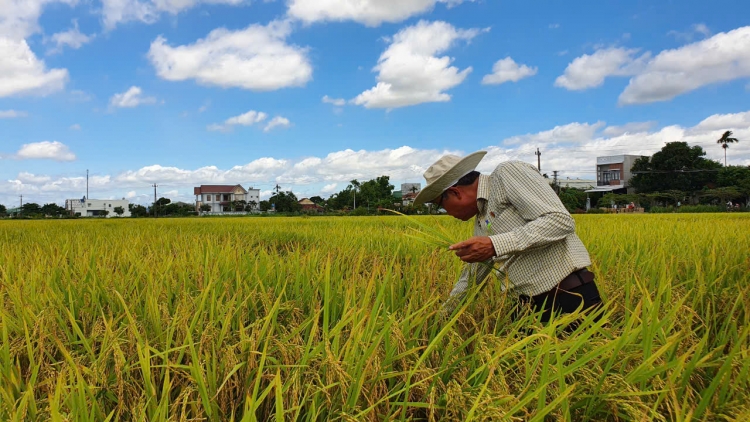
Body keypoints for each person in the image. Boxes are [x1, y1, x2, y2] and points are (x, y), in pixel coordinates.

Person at [414, 151, 602, 329]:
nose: (447, 213)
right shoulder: (481, 220)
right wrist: (441, 317)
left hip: (568, 299)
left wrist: (495, 245)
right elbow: (471, 277)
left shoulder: (507, 174)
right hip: (525, 310)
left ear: (455, 192)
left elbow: (559, 220)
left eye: (442, 205)